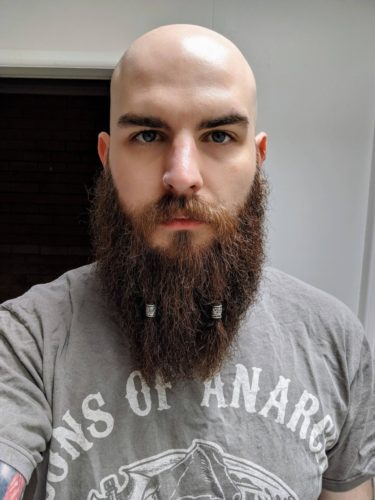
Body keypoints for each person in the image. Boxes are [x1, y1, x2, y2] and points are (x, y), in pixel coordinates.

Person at [0, 24, 374, 500]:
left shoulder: (334, 341)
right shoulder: (27, 340)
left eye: (218, 135)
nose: (182, 176)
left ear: (257, 158)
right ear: (108, 156)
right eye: (148, 134)